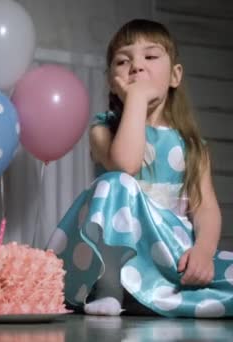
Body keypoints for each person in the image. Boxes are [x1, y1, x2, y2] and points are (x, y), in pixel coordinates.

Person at [47, 19, 232, 318]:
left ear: (175, 75)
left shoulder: (191, 144)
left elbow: (206, 208)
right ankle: (110, 287)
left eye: (150, 56)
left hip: (167, 250)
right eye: (123, 61)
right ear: (111, 80)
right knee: (117, 182)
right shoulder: (103, 129)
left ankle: (156, 292)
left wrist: (203, 252)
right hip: (116, 256)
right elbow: (126, 164)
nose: (136, 66)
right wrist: (136, 99)